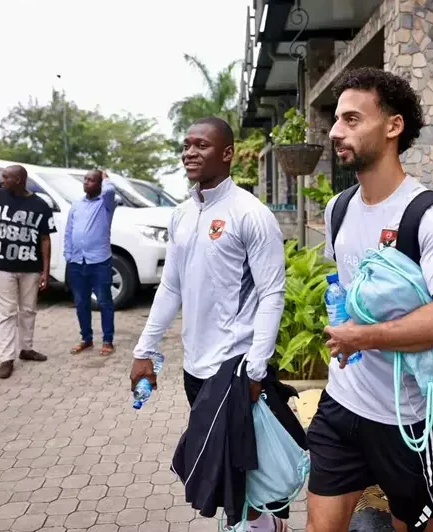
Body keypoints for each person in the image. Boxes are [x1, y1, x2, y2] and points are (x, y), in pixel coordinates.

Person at [307, 67, 433, 532]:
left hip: (409, 418)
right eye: (337, 120)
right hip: (342, 403)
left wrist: (363, 337)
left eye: (351, 119)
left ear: (393, 126)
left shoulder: (429, 216)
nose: (336, 132)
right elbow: (345, 286)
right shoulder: (338, 208)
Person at [130, 117, 287, 531]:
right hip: (194, 367)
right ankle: (263, 525)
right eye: (187, 145)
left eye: (201, 145)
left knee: (238, 466)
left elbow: (272, 293)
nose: (190, 153)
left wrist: (256, 368)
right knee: (222, 466)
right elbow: (170, 287)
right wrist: (144, 350)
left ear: (227, 153)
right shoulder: (181, 215)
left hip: (235, 366)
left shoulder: (251, 214)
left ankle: (259, 526)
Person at [0, 165, 56, 379]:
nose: (2, 180)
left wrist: (45, 271)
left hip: (30, 267)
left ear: (19, 180)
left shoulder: (40, 205)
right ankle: (6, 358)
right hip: (1, 265)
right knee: (7, 312)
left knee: (28, 310)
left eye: (6, 177)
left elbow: (45, 239)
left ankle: (26, 349)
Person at [66, 169, 117, 356]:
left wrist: (106, 178)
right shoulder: (76, 205)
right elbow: (69, 231)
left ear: (100, 184)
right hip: (77, 261)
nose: (86, 182)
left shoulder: (105, 203)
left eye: (91, 180)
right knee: (81, 302)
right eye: (85, 179)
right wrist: (68, 255)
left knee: (104, 302)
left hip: (100, 261)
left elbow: (110, 191)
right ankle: (86, 339)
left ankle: (107, 340)